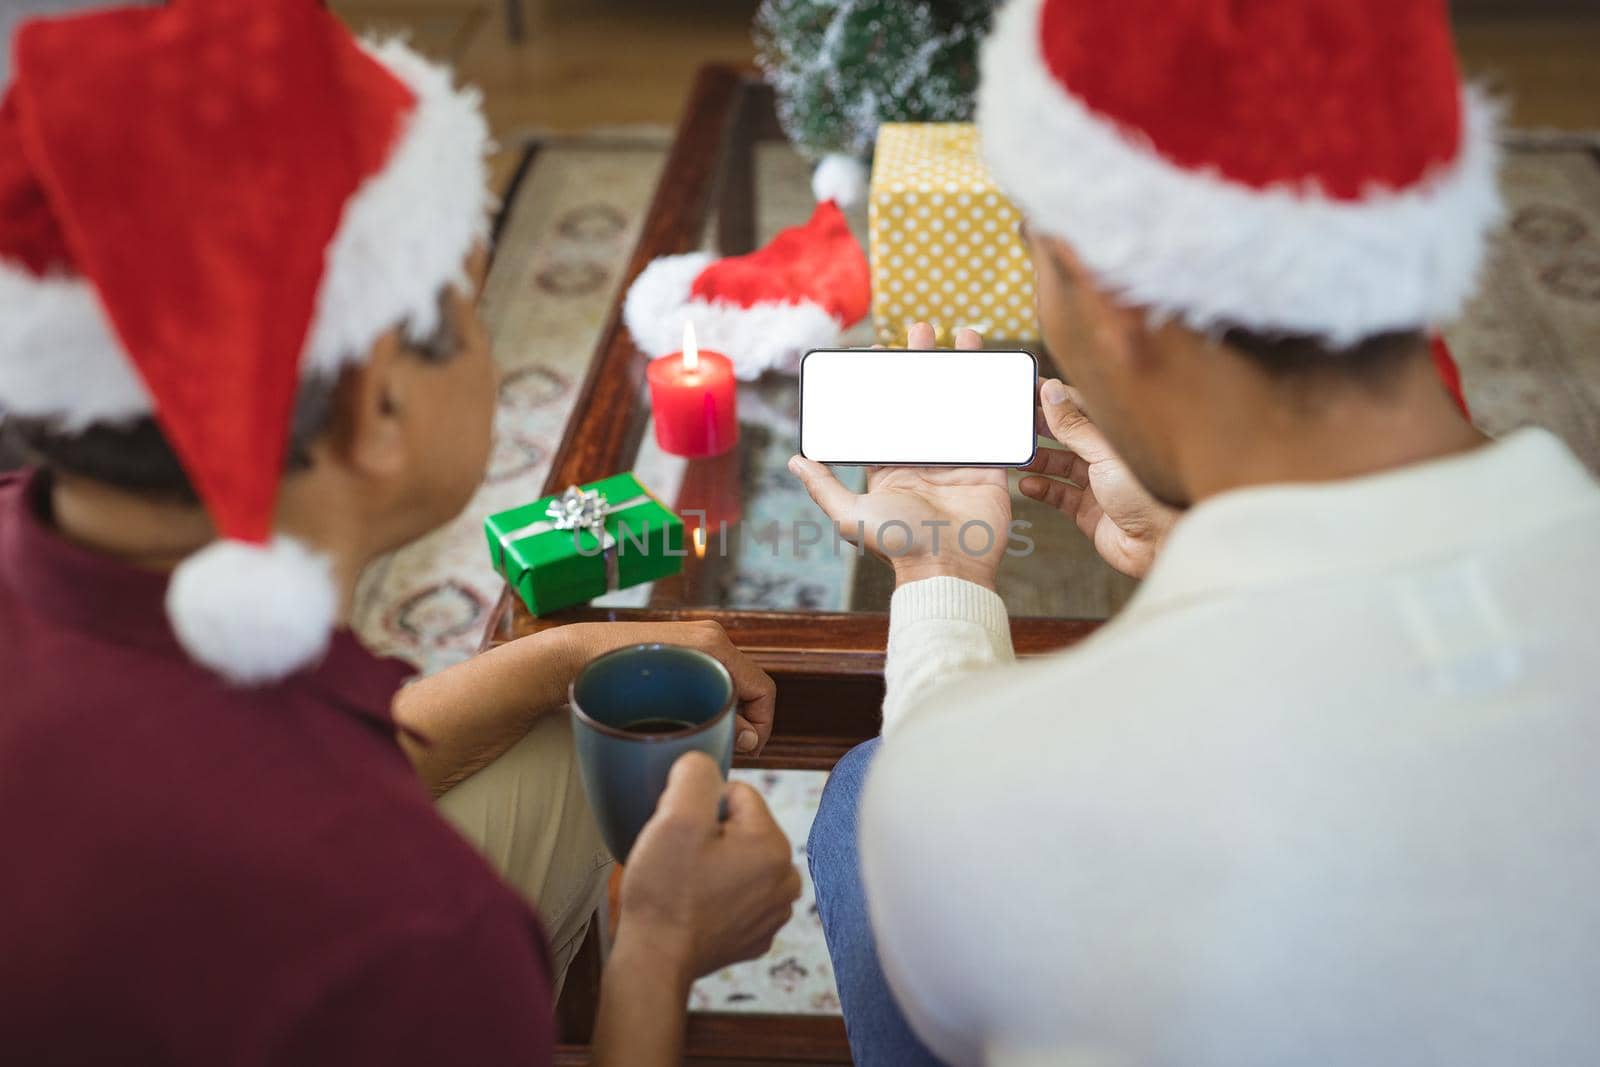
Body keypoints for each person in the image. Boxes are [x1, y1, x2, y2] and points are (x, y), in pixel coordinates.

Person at [789, 0, 1600, 1063]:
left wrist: (942, 570)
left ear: (1109, 295)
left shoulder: (962, 791)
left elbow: (960, 816)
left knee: (861, 798)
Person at [0, 3, 798, 1064]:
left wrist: (556, 653)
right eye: (471, 305)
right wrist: (660, 945)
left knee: (565, 728)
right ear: (376, 403)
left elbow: (273, 775)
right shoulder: (413, 933)